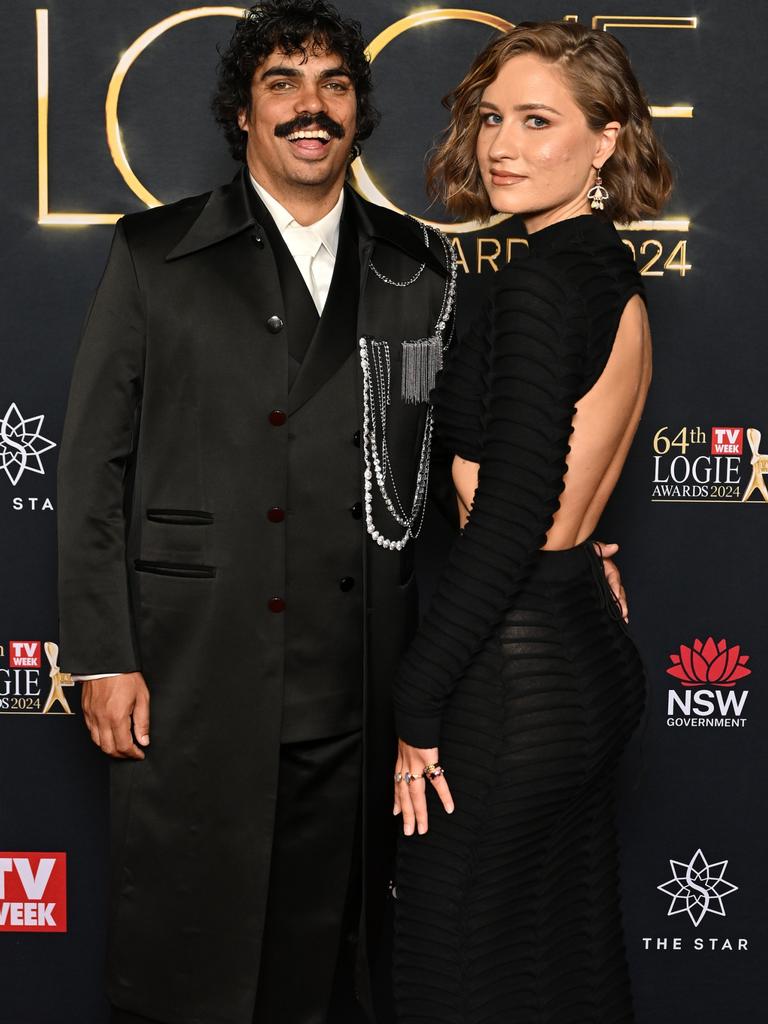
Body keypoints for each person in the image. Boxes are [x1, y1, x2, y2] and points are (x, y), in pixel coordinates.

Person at [56, 3, 459, 1022]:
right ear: (243, 110)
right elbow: (94, 464)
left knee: (324, 973)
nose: (310, 107)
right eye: (283, 82)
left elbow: (456, 465)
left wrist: (577, 535)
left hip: (355, 683)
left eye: (334, 84)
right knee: (187, 957)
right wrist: (101, 651)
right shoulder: (154, 255)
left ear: (359, 112)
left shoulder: (418, 265)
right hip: (193, 672)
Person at [392, 21, 671, 1024]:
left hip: (509, 686)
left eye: (538, 119)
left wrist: (416, 708)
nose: (501, 144)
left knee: (450, 975)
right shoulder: (606, 273)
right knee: (561, 967)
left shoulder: (539, 285)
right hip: (587, 658)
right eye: (490, 116)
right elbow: (562, 495)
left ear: (603, 141)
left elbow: (510, 523)